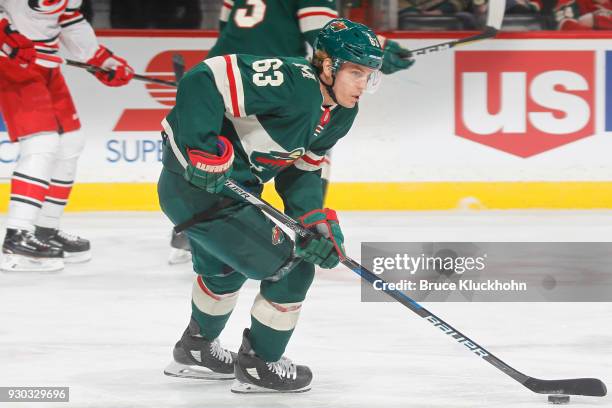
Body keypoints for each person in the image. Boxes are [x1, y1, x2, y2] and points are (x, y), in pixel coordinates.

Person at [159, 18, 383, 393]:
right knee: (292, 270)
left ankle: (196, 351)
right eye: (355, 72)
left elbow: (303, 170)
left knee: (226, 270)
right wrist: (200, 147)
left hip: (229, 195)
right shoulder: (293, 81)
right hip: (197, 189)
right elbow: (205, 77)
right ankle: (261, 365)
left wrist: (314, 220)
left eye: (370, 75)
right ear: (327, 65)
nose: (363, 84)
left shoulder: (342, 113)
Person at [167, 0, 415, 264]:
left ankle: (196, 236)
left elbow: (225, 26)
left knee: (215, 155)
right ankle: (306, 233)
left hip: (234, 74)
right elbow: (324, 31)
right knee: (310, 146)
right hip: (282, 85)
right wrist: (382, 49)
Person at [0, 0, 133, 272]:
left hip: (45, 65)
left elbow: (69, 19)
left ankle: (45, 229)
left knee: (71, 141)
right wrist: (5, 37)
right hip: (10, 66)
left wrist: (101, 60)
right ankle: (16, 238)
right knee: (41, 143)